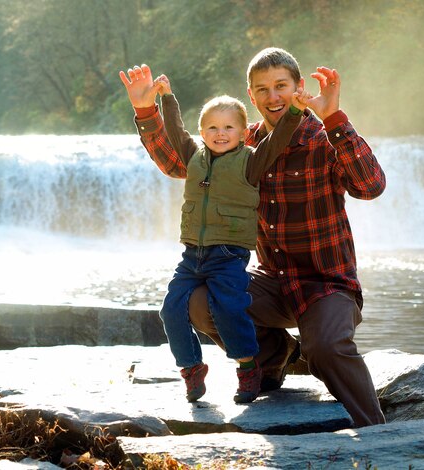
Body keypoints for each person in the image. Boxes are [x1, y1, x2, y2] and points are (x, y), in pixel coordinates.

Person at [120, 47, 386, 427]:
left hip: (327, 284)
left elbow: (371, 186)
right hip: (271, 282)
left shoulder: (324, 137)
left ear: (298, 89)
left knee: (324, 349)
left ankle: (377, 430)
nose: (273, 97)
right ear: (251, 95)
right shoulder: (241, 144)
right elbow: (182, 163)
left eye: (281, 86)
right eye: (262, 89)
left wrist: (334, 117)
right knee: (201, 300)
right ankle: (272, 357)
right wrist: (148, 111)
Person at [119, 69, 308, 403]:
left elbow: (278, 140)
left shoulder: (251, 161)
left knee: (228, 308)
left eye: (229, 127)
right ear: (202, 131)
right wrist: (166, 97)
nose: (220, 134)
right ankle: (192, 369)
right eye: (212, 128)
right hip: (192, 255)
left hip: (228, 254)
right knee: (171, 310)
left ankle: (249, 367)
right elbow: (175, 132)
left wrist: (295, 111)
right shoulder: (194, 157)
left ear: (243, 131)